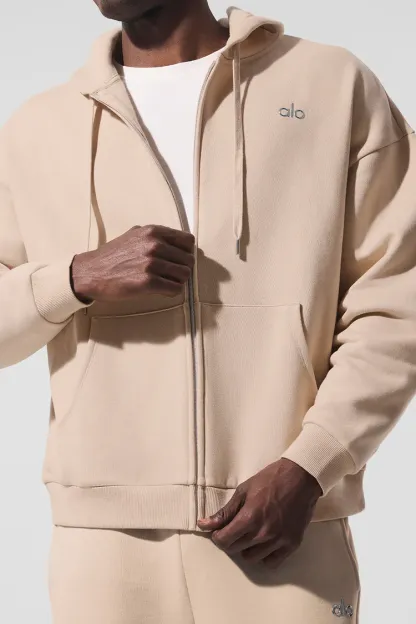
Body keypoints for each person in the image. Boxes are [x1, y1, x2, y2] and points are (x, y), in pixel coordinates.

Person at [1, 0, 416, 622]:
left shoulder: (331, 85)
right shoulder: (37, 128)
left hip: (280, 526)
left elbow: (398, 299)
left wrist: (312, 464)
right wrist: (75, 277)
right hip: (103, 545)